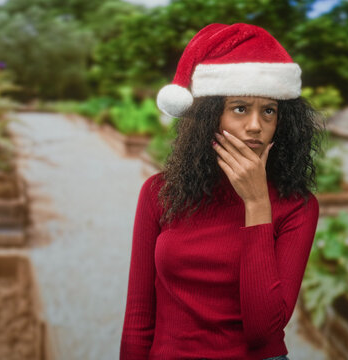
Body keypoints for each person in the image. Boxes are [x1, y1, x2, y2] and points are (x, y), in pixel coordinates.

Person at [120, 23, 324, 360]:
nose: (255, 124)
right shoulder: (159, 193)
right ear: (210, 117)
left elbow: (264, 332)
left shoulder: (297, 207)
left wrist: (257, 203)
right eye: (240, 108)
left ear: (282, 122)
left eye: (269, 110)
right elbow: (138, 318)